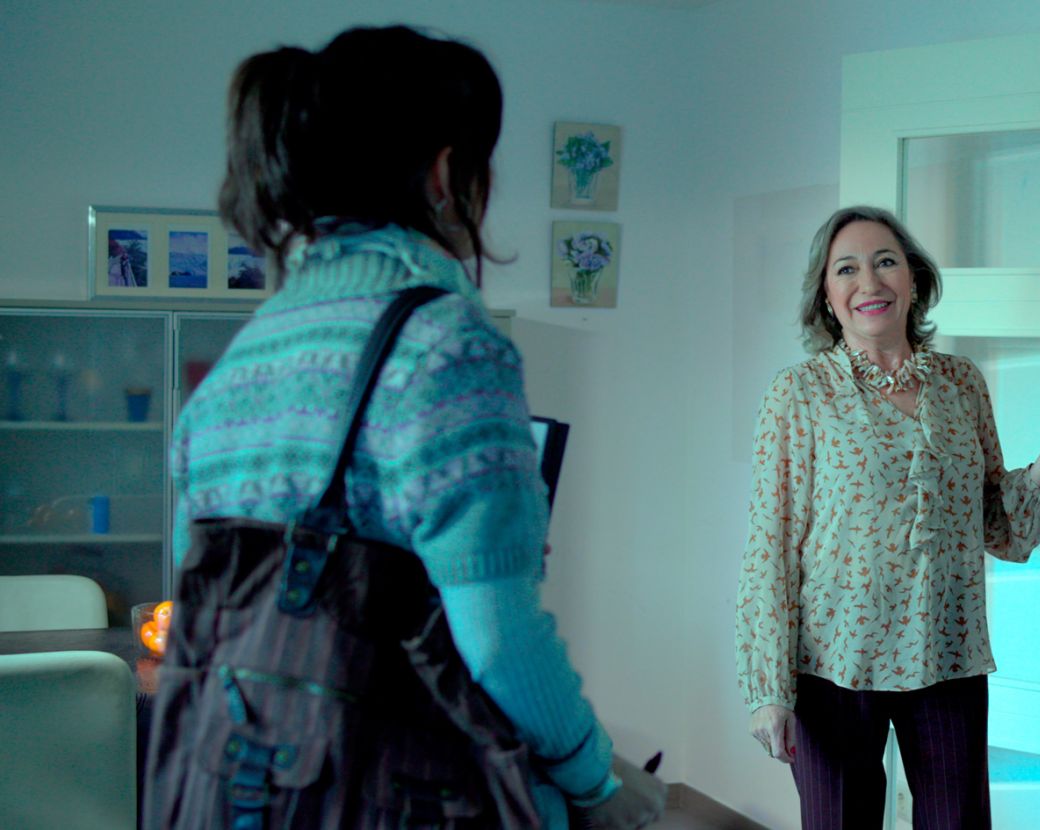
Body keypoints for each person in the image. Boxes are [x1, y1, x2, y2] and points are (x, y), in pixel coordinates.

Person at [144, 26, 663, 830]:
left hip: (246, 789)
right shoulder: (446, 345)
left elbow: (205, 598)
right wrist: (598, 782)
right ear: (445, 174)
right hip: (397, 792)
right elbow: (496, 638)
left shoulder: (243, 359)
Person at [735, 205, 1040, 828]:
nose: (869, 283)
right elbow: (770, 546)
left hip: (947, 653)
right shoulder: (798, 393)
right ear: (826, 296)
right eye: (846, 269)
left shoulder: (961, 383)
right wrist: (769, 690)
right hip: (833, 664)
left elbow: (999, 526)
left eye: (885, 262)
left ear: (913, 278)